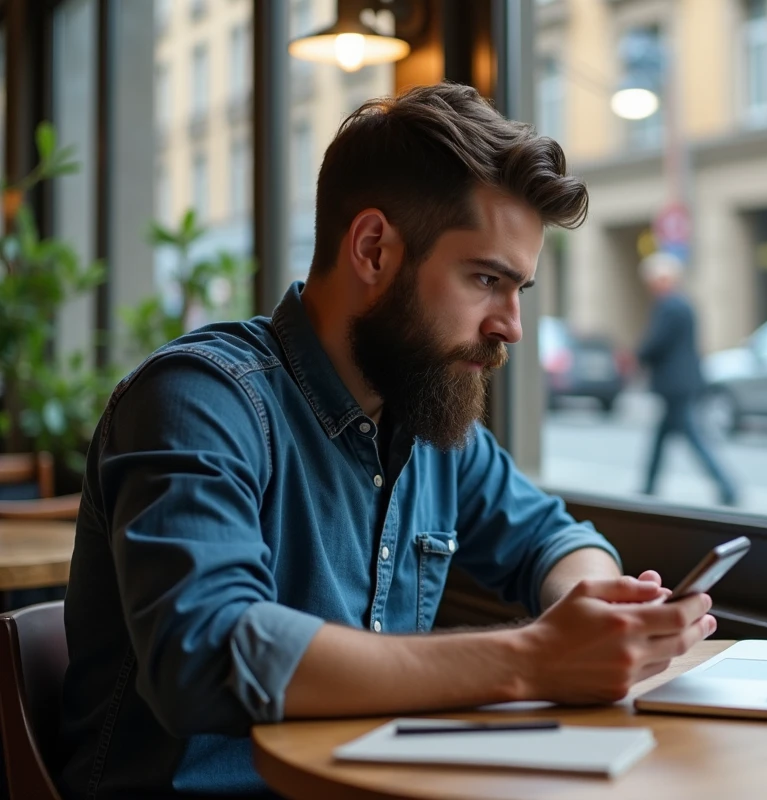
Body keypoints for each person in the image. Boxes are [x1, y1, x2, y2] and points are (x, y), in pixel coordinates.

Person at [57, 84, 716, 799]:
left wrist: (602, 608)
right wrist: (533, 658)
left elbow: (550, 538)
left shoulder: (424, 416)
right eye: (486, 279)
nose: (511, 325)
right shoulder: (199, 400)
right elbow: (209, 652)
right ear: (374, 249)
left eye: (519, 289)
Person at [637, 252, 739, 507]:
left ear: (663, 280)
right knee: (663, 436)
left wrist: (637, 354)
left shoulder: (669, 306)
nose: (649, 287)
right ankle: (648, 486)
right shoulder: (684, 303)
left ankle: (727, 486)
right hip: (684, 382)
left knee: (693, 437)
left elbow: (657, 343)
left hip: (675, 385)